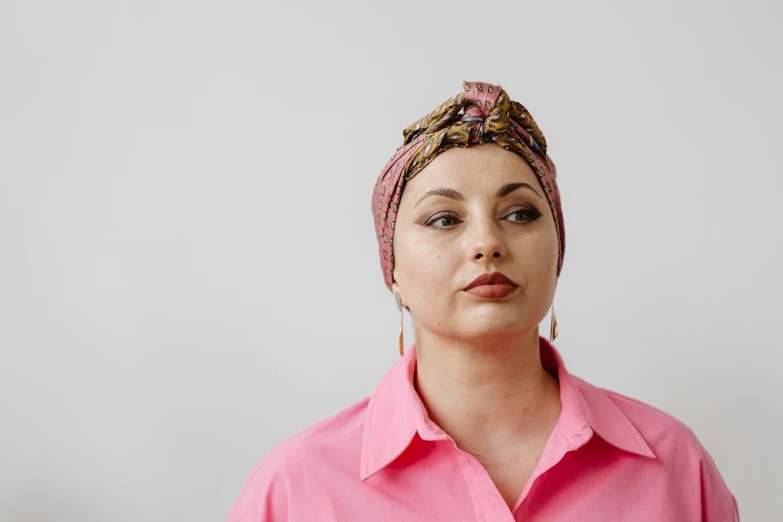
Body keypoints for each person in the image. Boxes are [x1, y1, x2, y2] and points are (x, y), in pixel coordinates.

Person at [223, 80, 739, 521]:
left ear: (557, 248)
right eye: (444, 219)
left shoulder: (674, 466)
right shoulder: (294, 490)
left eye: (520, 213)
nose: (487, 242)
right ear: (392, 268)